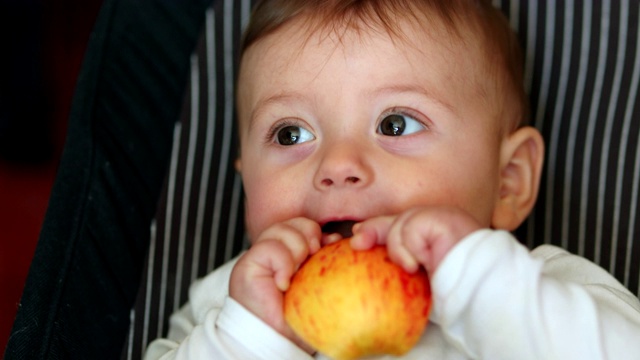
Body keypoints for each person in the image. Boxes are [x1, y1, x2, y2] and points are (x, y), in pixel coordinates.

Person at [145, 0, 640, 358]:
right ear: (246, 182)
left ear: (508, 181)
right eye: (291, 133)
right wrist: (247, 336)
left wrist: (477, 280)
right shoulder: (233, 303)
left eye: (395, 124)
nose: (337, 165)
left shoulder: (538, 289)